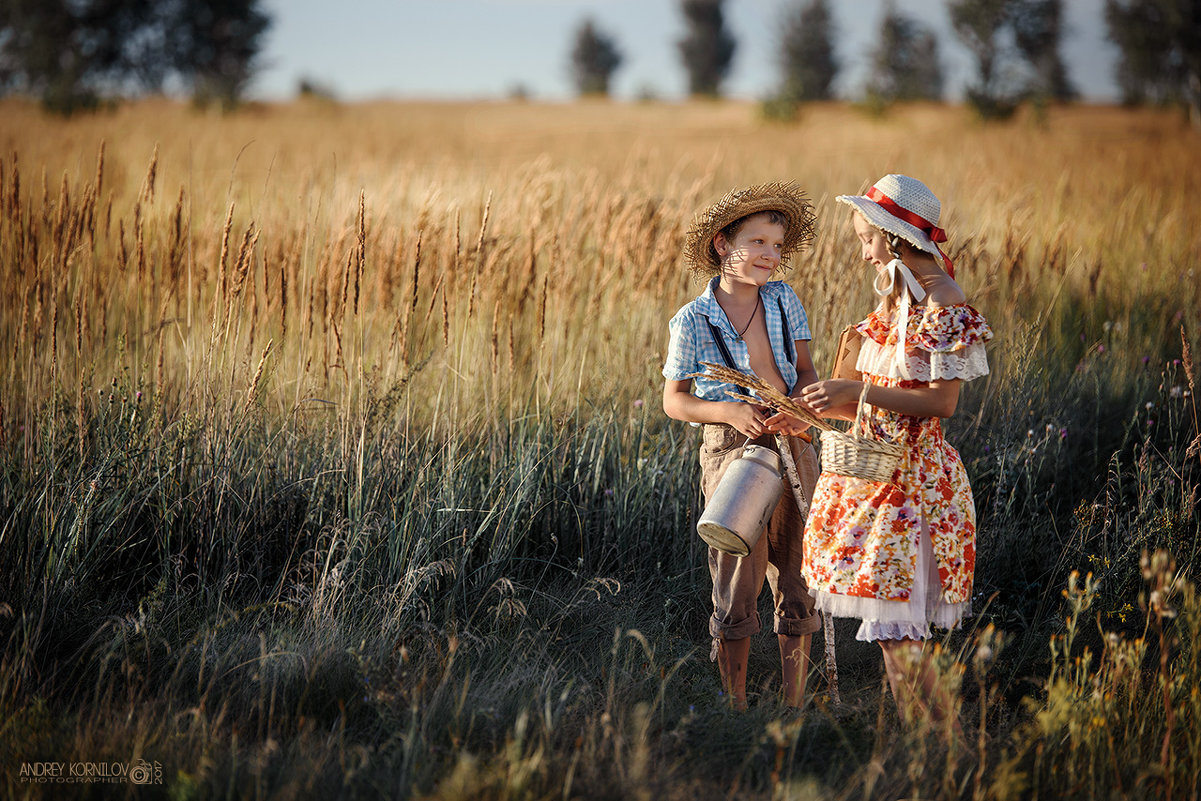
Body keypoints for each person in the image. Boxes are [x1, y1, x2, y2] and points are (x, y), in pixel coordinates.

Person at [799, 174, 993, 730]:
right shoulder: (894, 303)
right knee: (893, 639)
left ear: (894, 236)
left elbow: (942, 403)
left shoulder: (943, 300)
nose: (863, 254)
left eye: (866, 239)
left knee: (903, 635)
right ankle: (924, 747)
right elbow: (874, 402)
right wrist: (812, 407)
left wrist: (854, 392)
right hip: (876, 483)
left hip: (916, 488)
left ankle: (953, 746)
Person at [661, 182, 823, 710]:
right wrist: (730, 410)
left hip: (793, 437)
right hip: (732, 448)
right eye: (757, 242)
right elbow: (674, 401)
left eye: (777, 246)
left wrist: (799, 409)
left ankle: (794, 703)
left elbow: (805, 371)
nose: (770, 256)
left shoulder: (782, 300)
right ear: (721, 244)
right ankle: (737, 703)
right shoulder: (693, 318)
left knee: (799, 566)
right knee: (738, 569)